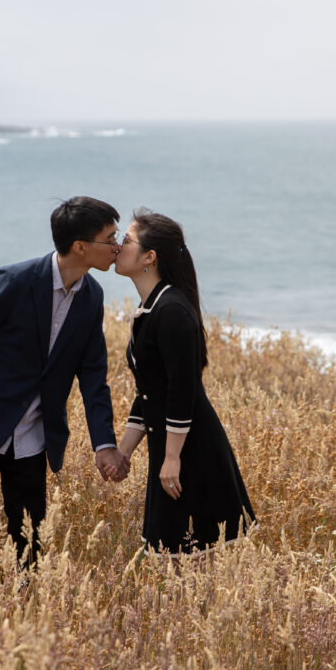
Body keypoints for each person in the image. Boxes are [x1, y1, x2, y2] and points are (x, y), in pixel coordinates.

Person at [0, 196, 130, 568]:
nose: (118, 248)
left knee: (30, 541)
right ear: (80, 246)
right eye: (111, 238)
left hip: (33, 437)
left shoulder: (92, 296)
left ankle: (22, 609)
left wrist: (104, 444)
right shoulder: (15, 280)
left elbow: (92, 377)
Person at [114, 209, 256, 557]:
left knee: (190, 561)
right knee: (174, 561)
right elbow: (149, 391)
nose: (119, 245)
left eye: (127, 240)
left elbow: (182, 390)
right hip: (170, 446)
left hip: (192, 449)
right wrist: (124, 452)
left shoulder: (172, 310)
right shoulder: (152, 307)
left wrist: (172, 457)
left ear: (149, 257)